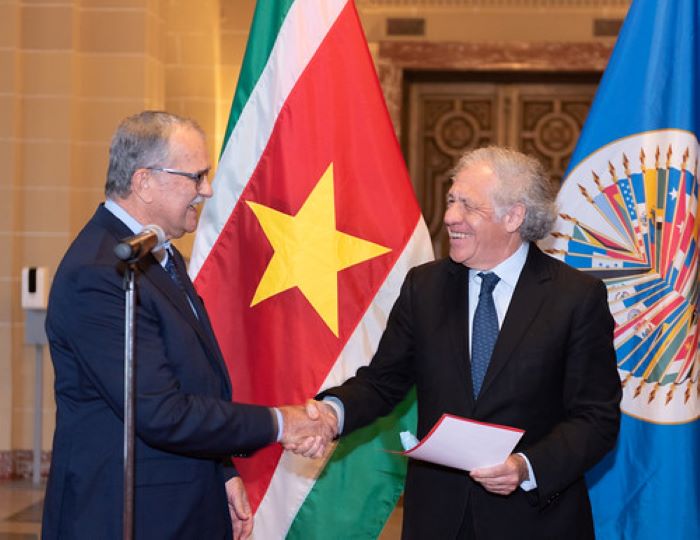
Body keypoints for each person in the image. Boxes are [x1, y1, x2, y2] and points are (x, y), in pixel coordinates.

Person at [42, 111, 331, 540]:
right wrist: (280, 423)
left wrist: (222, 471)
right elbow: (160, 412)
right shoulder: (101, 271)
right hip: (128, 515)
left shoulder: (159, 253)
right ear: (144, 181)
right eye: (196, 177)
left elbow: (194, 382)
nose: (207, 190)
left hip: (181, 503)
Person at [314, 146, 622, 539]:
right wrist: (332, 412)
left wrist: (526, 466)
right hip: (438, 520)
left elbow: (596, 419)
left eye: (468, 206)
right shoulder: (424, 287)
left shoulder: (575, 298)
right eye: (450, 201)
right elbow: (382, 382)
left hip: (534, 521)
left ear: (514, 216)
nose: (450, 217)